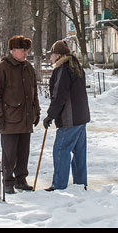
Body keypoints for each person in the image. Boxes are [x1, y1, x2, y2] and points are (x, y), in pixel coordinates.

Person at [0, 35, 40, 194]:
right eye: (23, 50)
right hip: (9, 119)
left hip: (26, 119)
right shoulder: (2, 69)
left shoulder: (28, 68)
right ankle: (8, 182)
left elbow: (34, 92)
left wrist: (36, 111)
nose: (26, 53)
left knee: (23, 152)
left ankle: (21, 179)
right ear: (13, 50)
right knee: (9, 154)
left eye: (27, 50)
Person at [42, 40, 90, 191]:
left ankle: (59, 185)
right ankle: (80, 184)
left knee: (61, 150)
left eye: (52, 55)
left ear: (59, 55)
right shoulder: (75, 66)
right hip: (81, 117)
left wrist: (50, 115)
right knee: (79, 153)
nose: (50, 59)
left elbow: (59, 95)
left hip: (70, 119)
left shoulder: (63, 69)